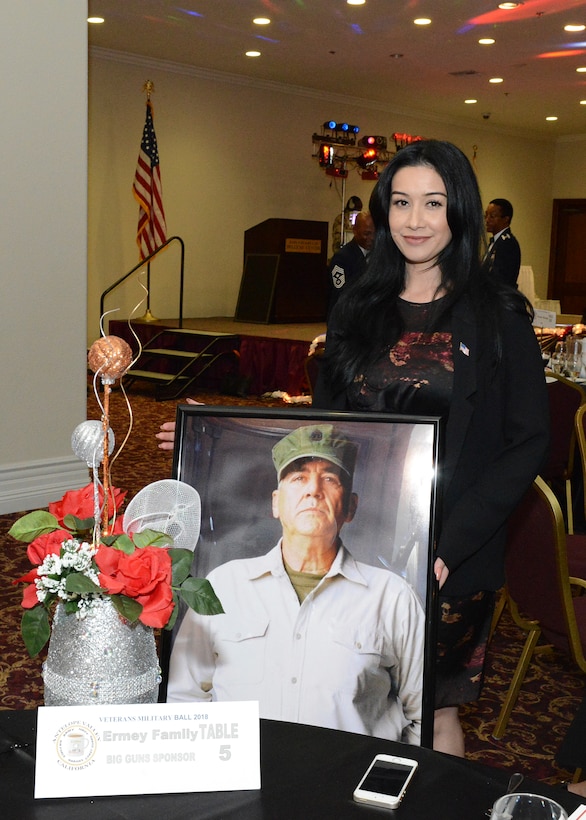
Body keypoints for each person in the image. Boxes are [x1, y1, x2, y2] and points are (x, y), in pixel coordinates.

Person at [312, 140, 550, 756]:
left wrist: (447, 545)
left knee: (433, 715)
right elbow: (327, 424)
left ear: (459, 211)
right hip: (356, 543)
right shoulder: (356, 307)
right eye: (401, 203)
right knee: (344, 698)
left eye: (433, 203)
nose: (415, 220)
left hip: (453, 552)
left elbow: (528, 442)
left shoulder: (499, 316)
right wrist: (229, 436)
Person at [167, 423, 426, 744]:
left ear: (351, 507)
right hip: (241, 782)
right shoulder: (223, 586)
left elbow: (421, 718)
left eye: (330, 478)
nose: (313, 490)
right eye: (298, 477)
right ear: (276, 503)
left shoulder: (393, 598)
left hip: (345, 785)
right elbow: (185, 698)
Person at [327, 211, 374, 317]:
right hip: (345, 318)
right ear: (355, 231)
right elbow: (341, 293)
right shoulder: (342, 259)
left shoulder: (378, 255)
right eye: (366, 233)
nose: (372, 238)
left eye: (374, 233)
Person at [484, 197, 521, 287]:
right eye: (486, 215)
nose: (487, 220)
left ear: (505, 219)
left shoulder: (507, 244)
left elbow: (501, 279)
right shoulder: (496, 242)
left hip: (499, 298)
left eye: (492, 216)